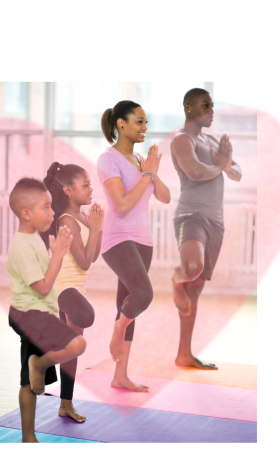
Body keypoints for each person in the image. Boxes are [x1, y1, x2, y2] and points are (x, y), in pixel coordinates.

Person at [98, 100, 171, 392]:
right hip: (118, 239)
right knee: (143, 294)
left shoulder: (140, 160)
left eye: (146, 122)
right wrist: (146, 175)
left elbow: (164, 197)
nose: (145, 127)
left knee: (127, 306)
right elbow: (124, 204)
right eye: (139, 121)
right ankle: (117, 330)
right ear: (121, 124)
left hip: (144, 241)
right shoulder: (108, 159)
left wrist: (151, 172)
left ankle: (120, 376)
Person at [6, 178, 86, 443]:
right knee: (77, 344)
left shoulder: (32, 239)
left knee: (28, 382)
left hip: (32, 313)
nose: (52, 213)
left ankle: (28, 437)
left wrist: (55, 253)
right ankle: (39, 364)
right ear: (26, 214)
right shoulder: (22, 247)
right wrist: (58, 256)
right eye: (46, 207)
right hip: (30, 314)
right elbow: (41, 287)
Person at [170, 88, 242, 370]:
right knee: (190, 269)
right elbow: (196, 173)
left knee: (196, 289)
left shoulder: (212, 139)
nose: (211, 110)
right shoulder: (181, 140)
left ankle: (184, 354)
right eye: (204, 106)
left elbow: (237, 173)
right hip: (191, 215)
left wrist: (226, 166)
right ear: (189, 108)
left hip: (217, 220)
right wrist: (221, 166)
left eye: (212, 105)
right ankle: (175, 281)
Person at [40, 162, 103, 423]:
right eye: (85, 184)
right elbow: (84, 262)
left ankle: (65, 404)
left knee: (73, 348)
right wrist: (97, 228)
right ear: (67, 190)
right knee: (86, 315)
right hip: (64, 287)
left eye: (90, 183)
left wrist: (96, 228)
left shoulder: (80, 219)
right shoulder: (67, 222)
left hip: (76, 288)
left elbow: (93, 256)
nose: (91, 188)